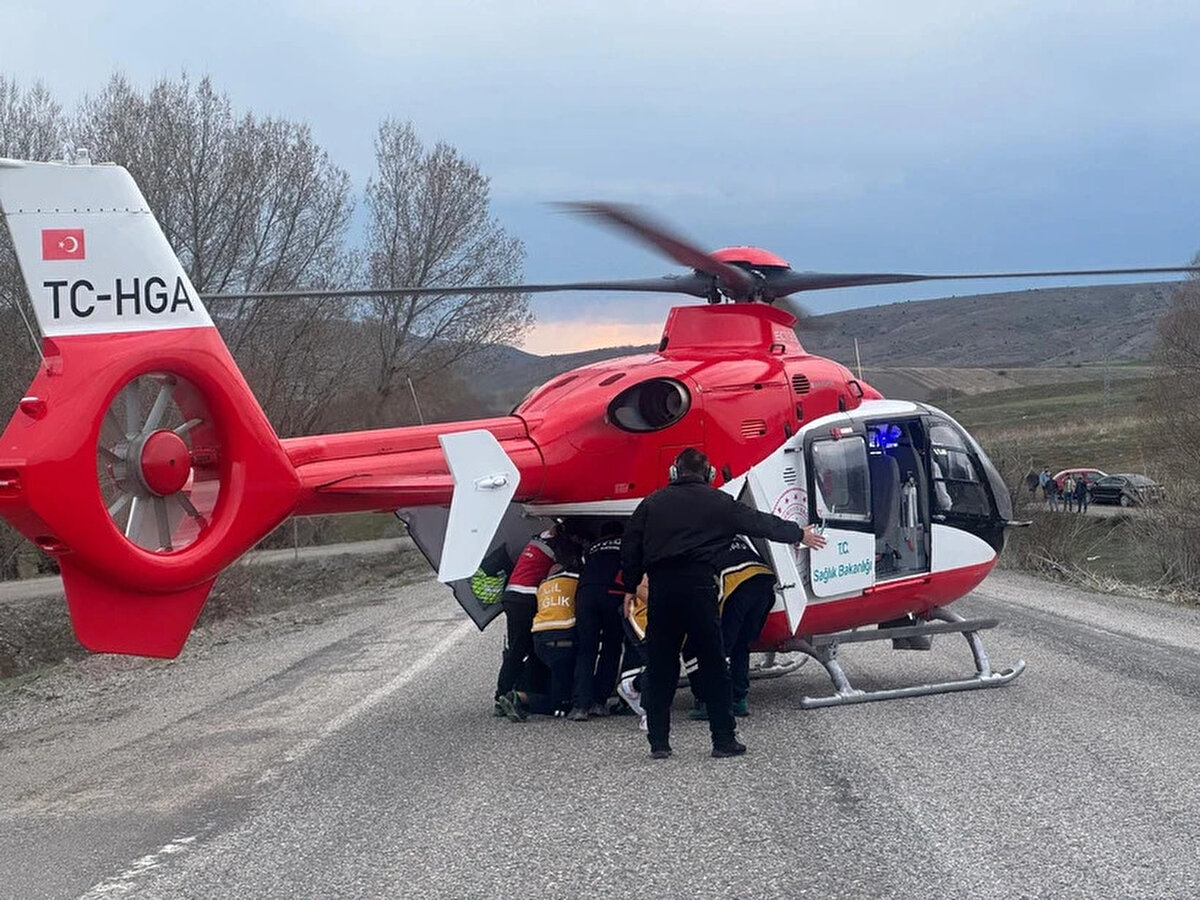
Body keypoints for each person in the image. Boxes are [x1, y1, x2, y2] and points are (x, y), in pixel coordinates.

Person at [620, 447, 826, 760]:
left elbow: (630, 546)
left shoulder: (652, 503)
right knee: (714, 666)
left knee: (661, 667)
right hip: (700, 590)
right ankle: (723, 741)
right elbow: (761, 523)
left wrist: (633, 581)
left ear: (674, 473)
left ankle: (659, 743)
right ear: (710, 475)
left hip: (662, 592)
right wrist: (798, 533)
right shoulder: (720, 503)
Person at [687, 537, 776, 720]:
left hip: (737, 584)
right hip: (764, 581)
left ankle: (715, 703)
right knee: (741, 644)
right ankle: (738, 699)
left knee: (720, 646)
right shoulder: (730, 532)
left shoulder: (696, 540)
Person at [493, 526, 559, 715]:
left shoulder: (537, 539)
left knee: (527, 646)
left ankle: (523, 691)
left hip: (512, 595)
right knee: (523, 647)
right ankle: (502, 696)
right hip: (526, 597)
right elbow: (556, 571)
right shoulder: (557, 544)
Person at [568, 520, 626, 721]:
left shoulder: (593, 548)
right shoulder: (628, 543)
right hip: (613, 594)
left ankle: (580, 706)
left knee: (586, 648)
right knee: (611, 648)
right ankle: (599, 702)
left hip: (586, 594)